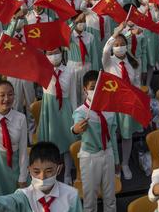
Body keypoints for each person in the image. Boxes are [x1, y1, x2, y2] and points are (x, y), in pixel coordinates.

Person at [0, 142, 83, 212]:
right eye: (36, 171)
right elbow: (1, 205)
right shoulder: (24, 195)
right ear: (29, 170)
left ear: (59, 169)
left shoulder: (71, 195)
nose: (42, 177)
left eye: (49, 171)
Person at [70, 71, 118, 212]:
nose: (95, 90)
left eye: (98, 87)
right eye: (92, 87)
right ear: (85, 90)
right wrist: (75, 129)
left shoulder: (110, 109)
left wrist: (116, 159)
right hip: (90, 158)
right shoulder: (81, 112)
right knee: (90, 199)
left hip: (107, 153)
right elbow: (76, 127)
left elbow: (113, 136)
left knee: (110, 197)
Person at [102, 24, 142, 180]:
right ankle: (115, 164)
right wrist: (114, 35)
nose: (119, 47)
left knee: (127, 134)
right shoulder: (109, 62)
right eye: (116, 45)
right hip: (112, 103)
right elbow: (105, 50)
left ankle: (125, 163)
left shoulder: (133, 62)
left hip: (127, 103)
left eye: (122, 44)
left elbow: (137, 83)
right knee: (112, 134)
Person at [38, 48, 76, 185]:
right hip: (49, 109)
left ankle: (67, 173)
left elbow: (72, 94)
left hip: (64, 108)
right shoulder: (43, 69)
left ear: (62, 53)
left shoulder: (70, 71)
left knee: (67, 140)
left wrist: (74, 113)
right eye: (50, 53)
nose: (54, 56)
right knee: (50, 142)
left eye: (56, 52)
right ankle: (51, 173)